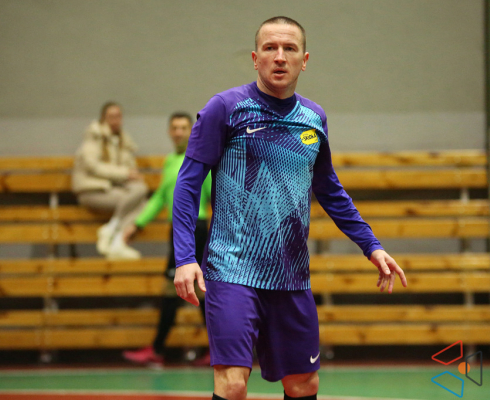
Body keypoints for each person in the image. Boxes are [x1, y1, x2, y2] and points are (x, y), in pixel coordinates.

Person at [172, 16, 408, 400]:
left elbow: (330, 190)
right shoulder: (226, 108)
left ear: (304, 60)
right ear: (255, 58)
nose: (279, 57)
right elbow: (187, 185)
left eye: (289, 48)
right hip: (232, 270)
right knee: (232, 383)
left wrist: (372, 245)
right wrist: (185, 258)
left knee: (303, 384)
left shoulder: (314, 119)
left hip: (291, 276)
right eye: (270, 48)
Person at [121, 112, 212, 366]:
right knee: (180, 289)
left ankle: (163, 348)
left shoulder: (200, 159)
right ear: (170, 132)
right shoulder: (170, 161)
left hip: (196, 228)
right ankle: (163, 348)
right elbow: (161, 196)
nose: (179, 132)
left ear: (192, 131)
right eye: (175, 127)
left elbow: (213, 196)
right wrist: (137, 224)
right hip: (177, 229)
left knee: (194, 289)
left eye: (184, 127)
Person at [72, 102, 148, 260]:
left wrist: (132, 175)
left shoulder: (122, 140)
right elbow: (93, 166)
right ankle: (117, 239)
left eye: (118, 116)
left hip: (111, 189)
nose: (115, 120)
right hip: (91, 190)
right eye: (111, 117)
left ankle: (113, 234)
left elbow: (128, 166)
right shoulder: (94, 137)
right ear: (103, 118)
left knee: (141, 192)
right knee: (139, 203)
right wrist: (126, 174)